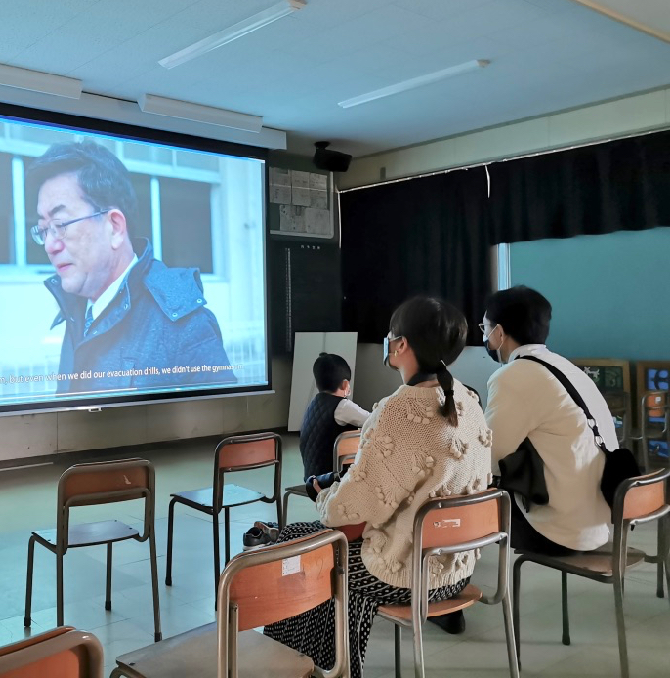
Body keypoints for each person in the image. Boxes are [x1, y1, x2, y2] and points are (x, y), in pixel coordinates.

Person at [264, 297, 492, 677]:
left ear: (401, 345)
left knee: (298, 551)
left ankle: (310, 668)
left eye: (390, 335)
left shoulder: (398, 410)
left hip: (407, 574)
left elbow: (348, 510)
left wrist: (324, 494)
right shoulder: (469, 400)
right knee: (309, 542)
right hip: (458, 565)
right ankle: (330, 663)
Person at [29, 140, 235, 394]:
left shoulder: (182, 324)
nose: (50, 245)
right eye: (43, 229)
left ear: (114, 226)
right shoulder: (77, 312)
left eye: (60, 224)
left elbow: (224, 424)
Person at [482, 285, 618, 556]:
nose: (485, 337)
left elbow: (490, 457)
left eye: (484, 329)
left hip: (558, 532)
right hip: (599, 524)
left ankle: (443, 577)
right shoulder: (566, 367)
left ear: (498, 332)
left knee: (462, 482)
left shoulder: (514, 376)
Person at [299, 352, 369, 480]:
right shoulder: (343, 406)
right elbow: (373, 420)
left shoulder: (313, 405)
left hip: (311, 480)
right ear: (345, 385)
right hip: (333, 481)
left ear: (317, 383)